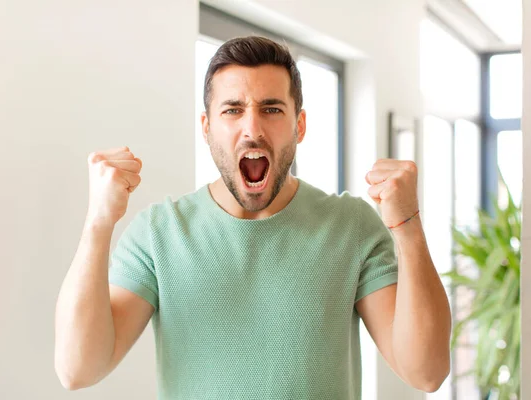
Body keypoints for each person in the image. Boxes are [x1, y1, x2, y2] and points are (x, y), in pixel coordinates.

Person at [54, 36, 451, 399]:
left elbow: (426, 373)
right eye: (233, 110)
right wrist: (98, 223)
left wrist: (408, 227)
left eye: (271, 109)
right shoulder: (159, 234)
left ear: (300, 125)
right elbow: (77, 370)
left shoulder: (351, 226)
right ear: (207, 128)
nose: (252, 129)